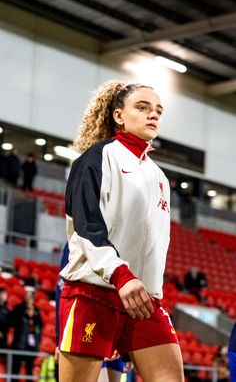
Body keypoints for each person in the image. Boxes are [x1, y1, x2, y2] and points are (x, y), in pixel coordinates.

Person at [58, 80, 184, 382]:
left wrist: (151, 291)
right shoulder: (96, 159)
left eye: (158, 110)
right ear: (118, 115)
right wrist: (120, 275)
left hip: (143, 301)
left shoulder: (159, 177)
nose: (152, 115)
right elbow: (87, 227)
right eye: (142, 107)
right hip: (94, 294)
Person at [56, 243, 128, 382]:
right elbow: (62, 287)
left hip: (116, 317)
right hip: (91, 313)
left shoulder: (123, 237)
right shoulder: (80, 236)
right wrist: (59, 338)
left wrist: (126, 346)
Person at [8, 290, 42, 381]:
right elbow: (12, 323)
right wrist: (25, 314)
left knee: (29, 371)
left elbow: (40, 325)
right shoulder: (19, 308)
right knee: (15, 370)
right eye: (28, 296)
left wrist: (33, 316)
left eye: (31, 297)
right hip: (19, 344)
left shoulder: (36, 311)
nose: (29, 298)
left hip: (31, 345)